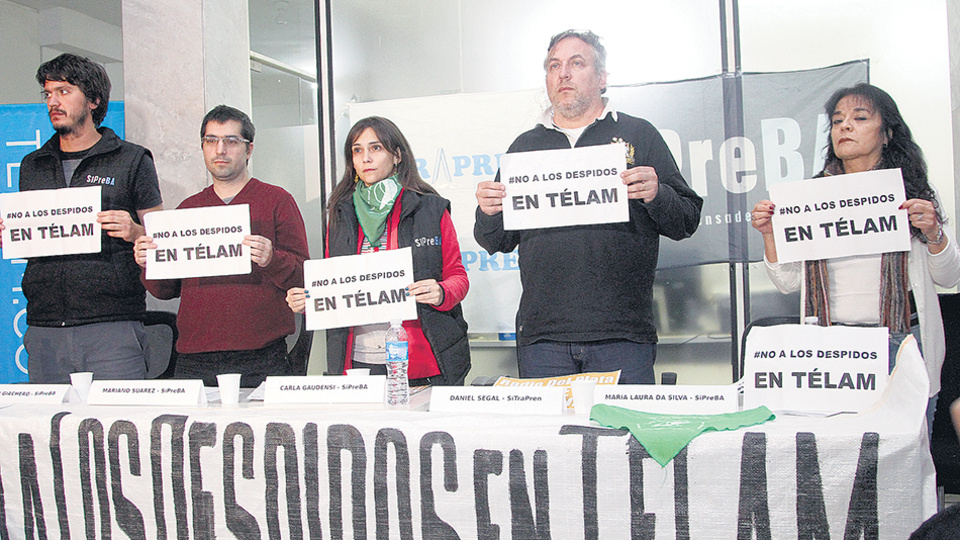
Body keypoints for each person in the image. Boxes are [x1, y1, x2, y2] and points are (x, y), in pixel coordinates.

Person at [473, 30, 702, 384]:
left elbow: (686, 220)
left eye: (576, 63)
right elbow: (495, 241)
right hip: (543, 338)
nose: (563, 73)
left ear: (602, 77)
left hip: (622, 335)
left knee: (624, 439)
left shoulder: (638, 134)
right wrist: (488, 212)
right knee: (546, 441)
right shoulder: (525, 146)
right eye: (554, 66)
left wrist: (658, 194)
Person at [751, 83, 960, 423]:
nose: (845, 127)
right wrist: (771, 236)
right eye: (837, 121)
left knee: (906, 460)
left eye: (859, 118)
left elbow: (949, 276)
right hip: (835, 348)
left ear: (887, 133)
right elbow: (789, 283)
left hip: (903, 341)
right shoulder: (810, 197)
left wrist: (933, 232)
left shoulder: (912, 192)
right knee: (847, 459)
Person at [0, 53, 163, 383]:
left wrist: (134, 231)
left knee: (118, 429)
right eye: (48, 93)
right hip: (44, 327)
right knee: (49, 433)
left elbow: (163, 237)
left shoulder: (131, 160)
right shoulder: (33, 164)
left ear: (94, 99)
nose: (53, 102)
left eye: (64, 91)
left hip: (111, 327)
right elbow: (33, 233)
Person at [286, 116, 470, 385]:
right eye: (357, 150)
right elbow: (334, 282)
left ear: (397, 155)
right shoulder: (340, 213)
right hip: (358, 361)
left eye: (376, 148)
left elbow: (458, 276)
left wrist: (441, 291)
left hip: (420, 358)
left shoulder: (430, 209)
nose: (366, 158)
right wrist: (309, 301)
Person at [134, 105, 309, 388]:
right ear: (202, 147)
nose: (220, 150)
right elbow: (165, 291)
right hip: (194, 358)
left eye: (231, 141)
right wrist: (148, 261)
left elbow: (305, 277)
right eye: (211, 140)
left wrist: (272, 258)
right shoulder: (187, 210)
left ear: (249, 149)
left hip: (261, 356)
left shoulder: (277, 201)